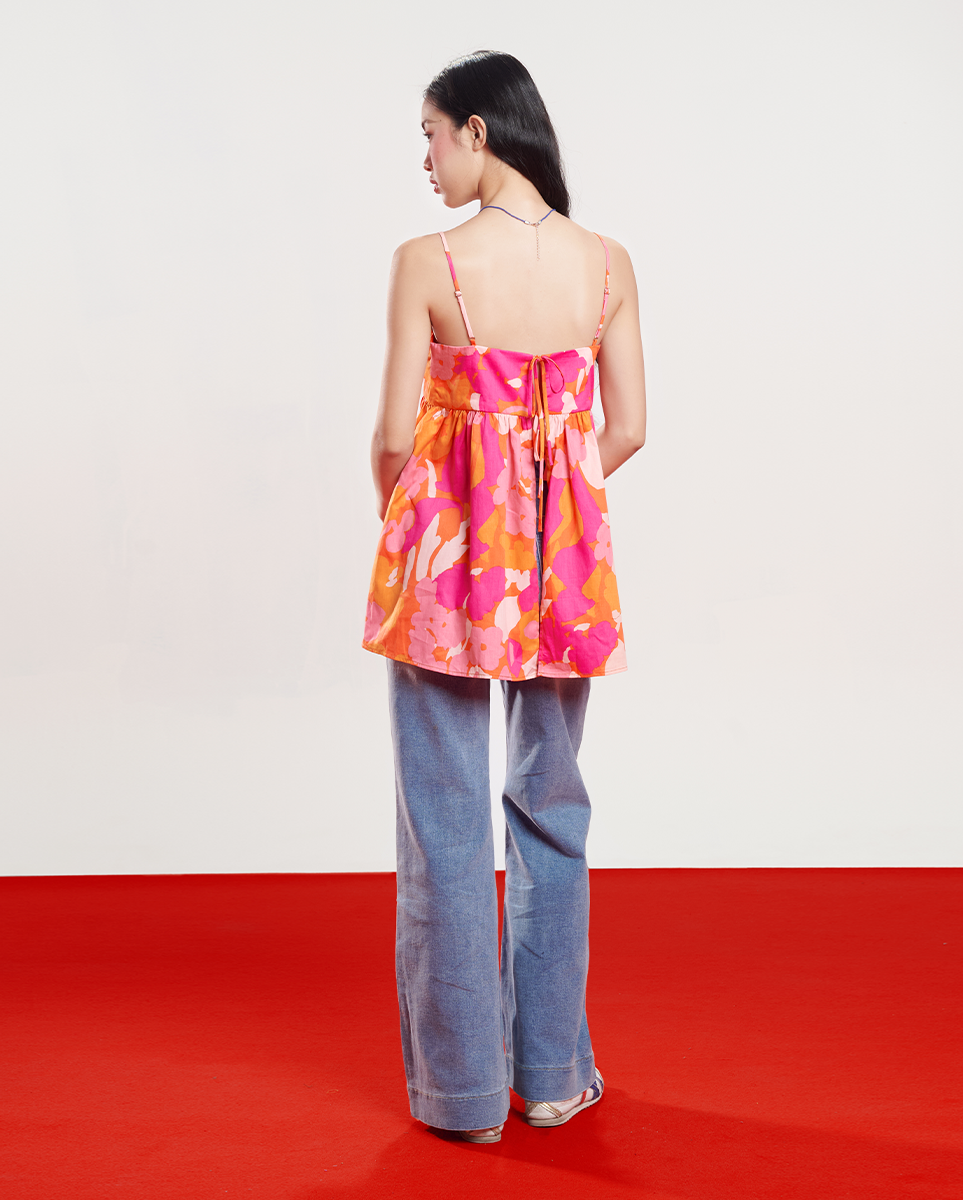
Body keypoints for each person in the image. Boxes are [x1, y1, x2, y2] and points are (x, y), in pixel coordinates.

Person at [362, 50, 646, 1144]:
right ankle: (556, 1076)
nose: (427, 160)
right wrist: (544, 507)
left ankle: (466, 1098)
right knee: (552, 805)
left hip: (447, 562)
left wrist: (427, 520)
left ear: (478, 131)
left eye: (431, 136)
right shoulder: (608, 264)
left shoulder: (427, 262)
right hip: (563, 570)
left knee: (442, 817)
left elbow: (394, 439)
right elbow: (627, 428)